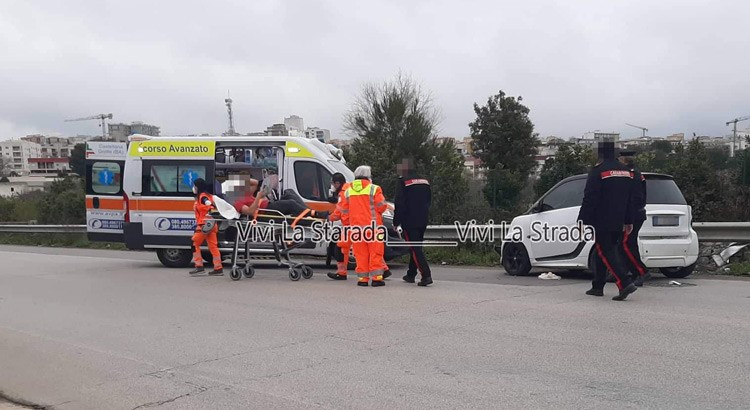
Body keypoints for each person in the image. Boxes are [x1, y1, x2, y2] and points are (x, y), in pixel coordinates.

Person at [578, 142, 638, 301]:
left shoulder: (598, 171)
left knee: (606, 251)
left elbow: (590, 197)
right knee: (603, 251)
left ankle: (625, 282)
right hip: (619, 219)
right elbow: (631, 199)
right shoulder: (627, 172)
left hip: (602, 219)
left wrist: (582, 219)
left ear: (600, 154)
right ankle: (597, 286)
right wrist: (629, 220)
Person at [327, 172, 392, 281]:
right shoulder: (366, 189)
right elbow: (381, 205)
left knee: (342, 248)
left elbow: (341, 211)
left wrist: (330, 218)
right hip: (368, 226)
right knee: (374, 250)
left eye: (332, 184)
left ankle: (343, 273)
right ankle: (383, 271)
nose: (332, 186)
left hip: (351, 226)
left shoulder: (346, 192)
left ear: (337, 183)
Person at [340, 165, 389, 287]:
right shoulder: (374, 189)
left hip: (356, 230)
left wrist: (348, 224)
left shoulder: (348, 191)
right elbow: (382, 206)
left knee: (360, 255)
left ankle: (363, 279)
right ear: (369, 176)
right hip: (373, 229)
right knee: (376, 253)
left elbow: (344, 212)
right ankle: (377, 278)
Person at [394, 157, 433, 286]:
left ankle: (426, 275)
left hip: (409, 220)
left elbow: (400, 203)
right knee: (416, 247)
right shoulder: (424, 181)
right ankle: (411, 274)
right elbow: (429, 199)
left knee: (415, 248)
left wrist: (396, 221)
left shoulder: (403, 181)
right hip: (423, 218)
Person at [618, 150, 649, 287]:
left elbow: (634, 198)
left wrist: (627, 218)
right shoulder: (637, 173)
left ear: (624, 160)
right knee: (628, 244)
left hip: (632, 215)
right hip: (636, 214)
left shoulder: (631, 176)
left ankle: (641, 271)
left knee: (626, 245)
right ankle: (634, 273)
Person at [232, 177, 328, 219]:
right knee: (290, 203)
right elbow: (250, 211)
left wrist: (240, 179)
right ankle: (314, 213)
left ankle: (310, 212)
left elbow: (256, 183)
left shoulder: (246, 194)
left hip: (268, 204)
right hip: (265, 211)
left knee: (289, 192)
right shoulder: (237, 202)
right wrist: (258, 197)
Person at [189, 178, 223, 275]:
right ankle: (218, 268)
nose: (193, 188)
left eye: (195, 186)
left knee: (194, 244)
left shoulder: (203, 197)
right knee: (213, 246)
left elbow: (207, 202)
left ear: (198, 187)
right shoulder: (208, 195)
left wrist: (208, 203)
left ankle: (199, 267)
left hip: (204, 224)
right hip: (212, 224)